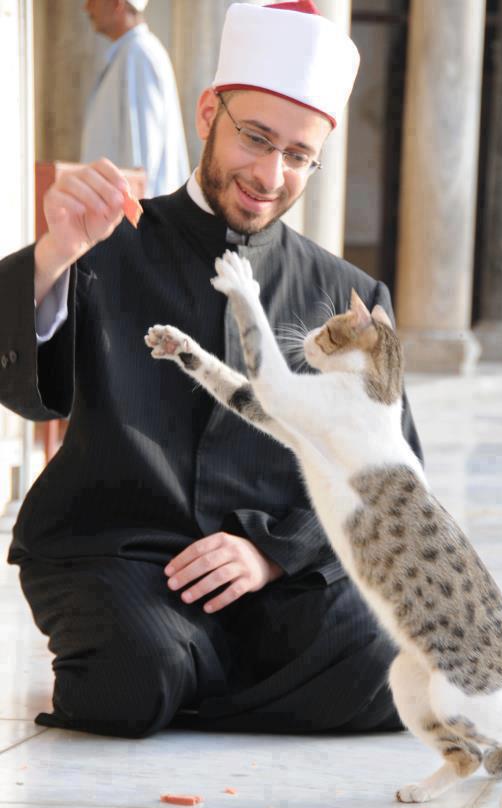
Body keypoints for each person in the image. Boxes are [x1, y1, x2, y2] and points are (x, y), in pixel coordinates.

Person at [0, 0, 423, 739]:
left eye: (298, 155)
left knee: (396, 659)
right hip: (119, 553)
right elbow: (26, 396)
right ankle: (184, 671)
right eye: (255, 138)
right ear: (208, 114)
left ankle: (195, 677)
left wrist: (270, 551)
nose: (269, 174)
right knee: (136, 676)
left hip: (277, 579)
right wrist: (51, 258)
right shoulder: (105, 245)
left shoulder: (347, 298)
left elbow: (390, 473)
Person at [81, 0, 189, 197]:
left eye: (93, 0)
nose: (87, 8)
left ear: (116, 4)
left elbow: (141, 161)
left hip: (136, 218)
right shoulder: (132, 52)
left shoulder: (139, 54)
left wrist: (134, 224)